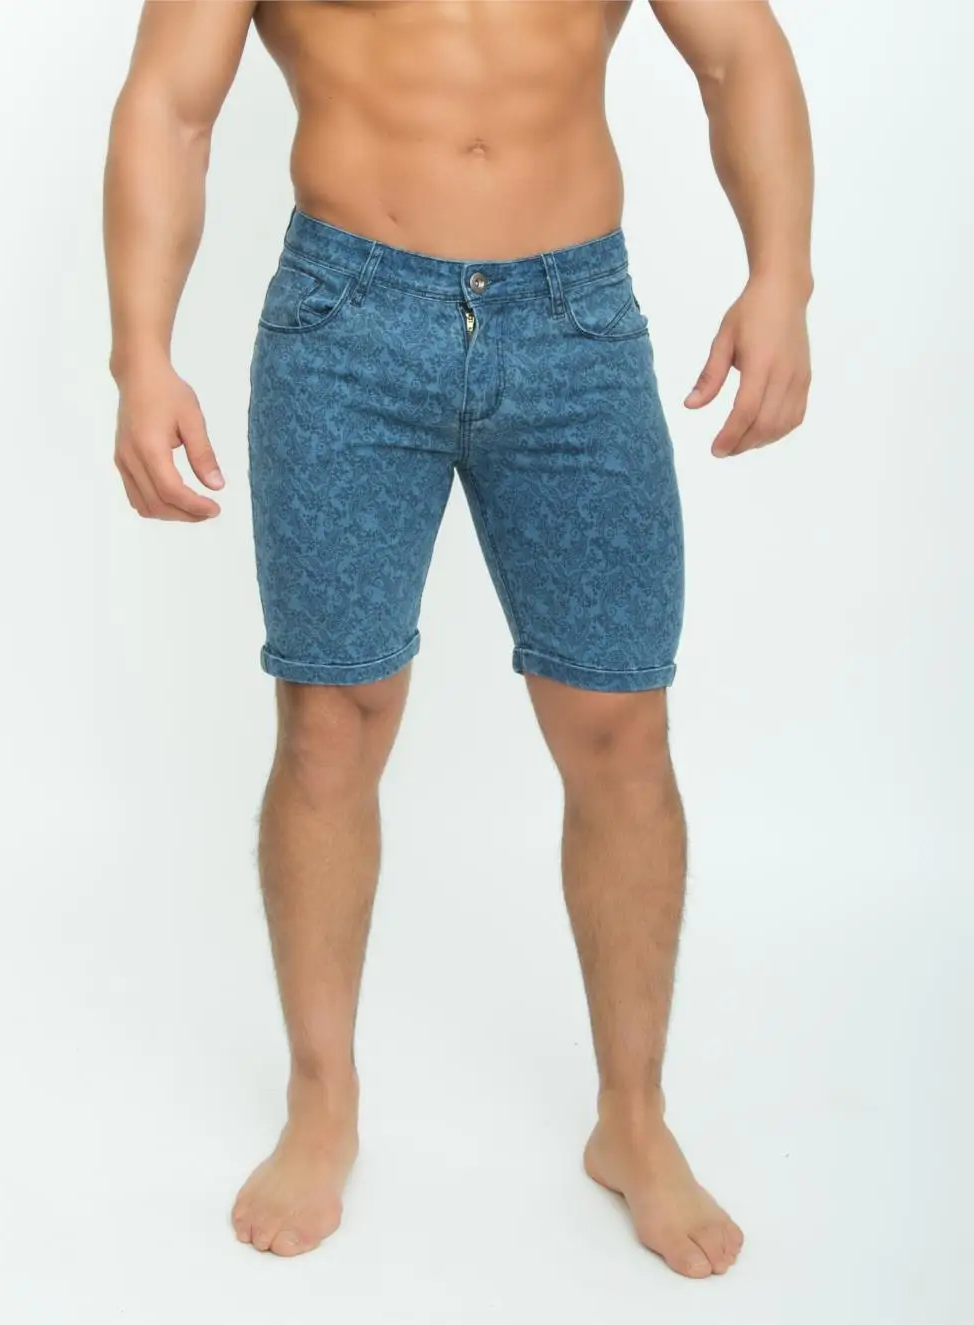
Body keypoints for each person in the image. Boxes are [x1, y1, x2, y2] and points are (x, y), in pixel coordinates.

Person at [105, 0, 813, 1278]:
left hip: (575, 322)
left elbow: (736, 51)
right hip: (344, 324)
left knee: (619, 723)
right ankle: (321, 1099)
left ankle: (632, 1116)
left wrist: (781, 276)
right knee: (331, 718)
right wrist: (140, 356)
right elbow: (171, 105)